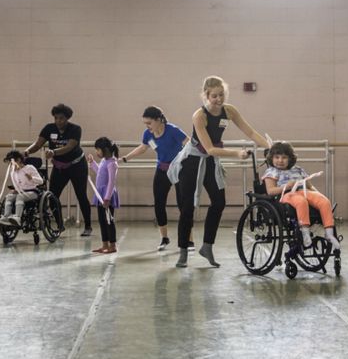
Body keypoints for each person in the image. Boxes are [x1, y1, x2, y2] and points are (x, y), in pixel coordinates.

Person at [170, 76, 270, 268]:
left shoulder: (230, 111)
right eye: (214, 96)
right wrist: (236, 153)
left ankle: (207, 246)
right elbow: (209, 149)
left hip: (210, 162)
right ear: (206, 96)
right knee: (187, 208)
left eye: (221, 95)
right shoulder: (199, 116)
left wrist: (270, 146)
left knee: (219, 201)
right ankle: (183, 250)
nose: (218, 99)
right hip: (191, 162)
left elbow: (250, 132)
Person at [121, 106, 190, 250]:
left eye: (149, 123)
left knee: (183, 205)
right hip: (162, 171)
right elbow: (143, 147)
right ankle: (164, 238)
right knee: (159, 204)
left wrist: (186, 161)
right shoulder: (148, 134)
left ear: (159, 120)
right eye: (145, 123)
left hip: (178, 170)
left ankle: (188, 239)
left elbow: (189, 144)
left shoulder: (173, 130)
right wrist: (126, 158)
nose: (147, 126)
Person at [25, 104, 92, 236]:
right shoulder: (49, 129)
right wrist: (26, 152)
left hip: (77, 166)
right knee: (52, 197)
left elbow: (70, 147)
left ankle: (88, 226)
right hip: (60, 167)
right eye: (56, 118)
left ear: (67, 118)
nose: (58, 121)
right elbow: (38, 144)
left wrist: (53, 152)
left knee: (81, 195)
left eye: (61, 118)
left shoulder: (75, 129)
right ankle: (60, 225)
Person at [262, 141, 340, 252]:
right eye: (277, 157)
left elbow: (310, 187)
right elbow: (270, 191)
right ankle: (305, 232)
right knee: (301, 201)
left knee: (324, 201)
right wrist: (287, 186)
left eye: (284, 157)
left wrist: (318, 194)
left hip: (302, 192)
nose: (280, 160)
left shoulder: (298, 170)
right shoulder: (271, 172)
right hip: (285, 195)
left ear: (290, 159)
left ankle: (329, 233)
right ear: (272, 158)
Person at [0, 150, 43, 227]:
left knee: (20, 197)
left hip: (33, 192)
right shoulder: (14, 172)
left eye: (11, 163)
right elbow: (18, 185)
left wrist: (32, 178)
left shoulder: (29, 168)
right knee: (9, 197)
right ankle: (6, 216)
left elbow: (41, 181)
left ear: (18, 160)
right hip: (21, 192)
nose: (10, 165)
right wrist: (15, 189)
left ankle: (17, 217)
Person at [87, 137, 120, 254]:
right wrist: (92, 163)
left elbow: (111, 182)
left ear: (105, 149)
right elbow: (99, 172)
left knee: (109, 221)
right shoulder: (104, 161)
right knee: (102, 221)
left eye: (98, 150)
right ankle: (104, 244)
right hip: (100, 194)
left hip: (107, 195)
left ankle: (113, 245)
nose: (96, 152)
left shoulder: (112, 163)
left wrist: (107, 198)